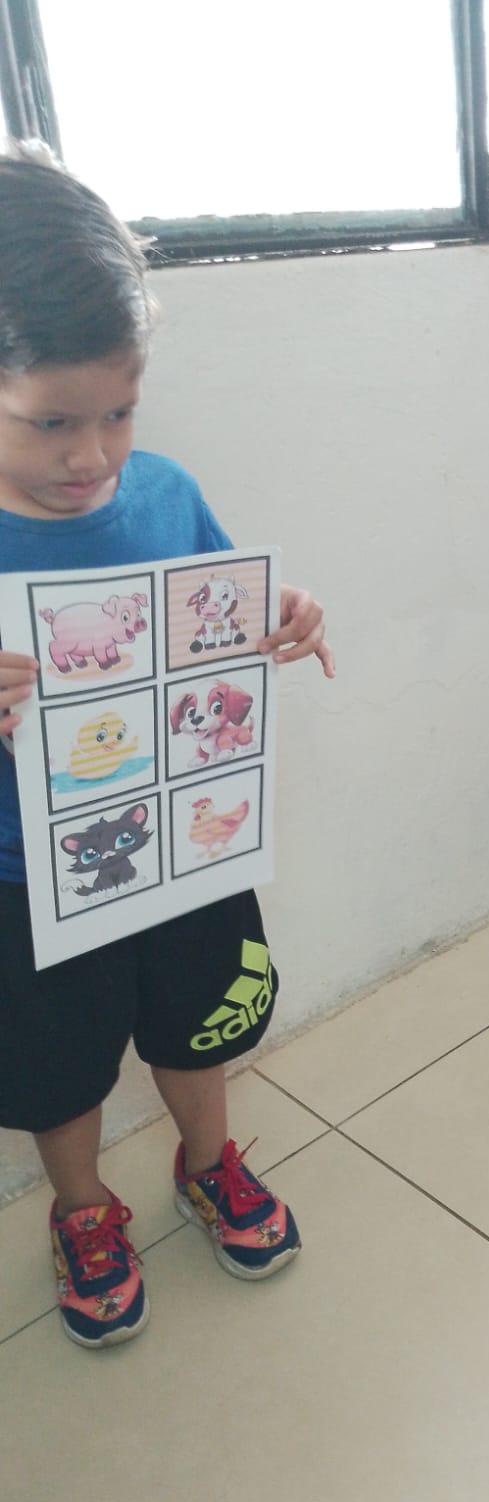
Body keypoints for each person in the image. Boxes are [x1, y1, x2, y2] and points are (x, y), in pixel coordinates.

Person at [0, 140, 335, 1349]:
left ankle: (207, 1159)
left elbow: (218, 615)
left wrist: (281, 618)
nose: (92, 455)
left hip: (185, 844)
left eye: (119, 411)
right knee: (59, 1064)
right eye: (51, 422)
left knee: (201, 1017)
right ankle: (83, 1207)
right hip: (27, 879)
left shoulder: (163, 492)